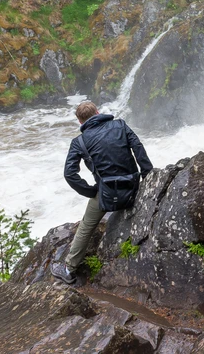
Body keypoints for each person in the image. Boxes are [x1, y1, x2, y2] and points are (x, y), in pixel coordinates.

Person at [51, 101, 152, 284]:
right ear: (98, 112)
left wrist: (91, 191)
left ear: (80, 122)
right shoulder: (120, 125)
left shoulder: (79, 142)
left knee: (86, 226)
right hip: (133, 186)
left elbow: (69, 174)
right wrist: (148, 177)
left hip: (107, 194)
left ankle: (68, 269)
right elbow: (138, 149)